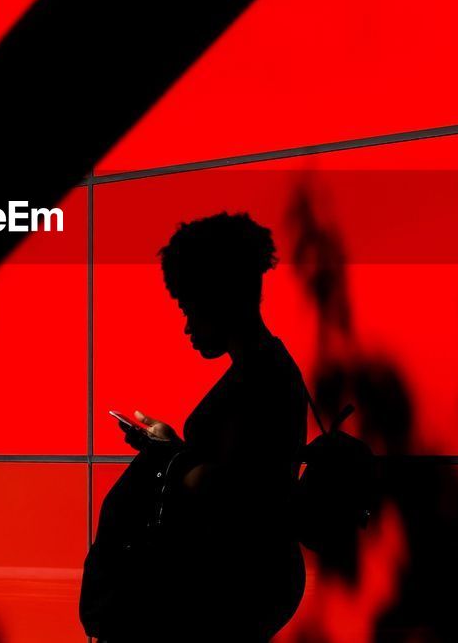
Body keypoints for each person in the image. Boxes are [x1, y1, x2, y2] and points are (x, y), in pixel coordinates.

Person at [80, 212, 307, 642]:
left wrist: (168, 452)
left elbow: (235, 490)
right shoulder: (263, 370)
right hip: (236, 583)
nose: (186, 326)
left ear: (218, 298)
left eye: (189, 308)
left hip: (230, 588)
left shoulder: (261, 379)